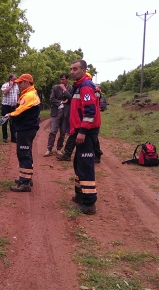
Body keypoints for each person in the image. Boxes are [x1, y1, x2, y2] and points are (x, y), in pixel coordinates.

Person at [68, 60, 101, 214]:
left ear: (83, 70)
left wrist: (82, 131)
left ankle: (89, 204)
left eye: (75, 69)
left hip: (86, 132)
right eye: (71, 69)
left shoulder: (85, 86)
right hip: (80, 131)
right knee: (78, 163)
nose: (72, 72)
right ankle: (80, 195)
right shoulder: (79, 86)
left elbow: (89, 112)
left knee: (85, 165)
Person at [3, 73, 41, 192]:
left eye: (20, 82)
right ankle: (26, 178)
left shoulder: (29, 95)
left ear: (27, 82)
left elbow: (20, 111)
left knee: (24, 154)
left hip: (26, 128)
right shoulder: (30, 93)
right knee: (26, 153)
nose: (18, 85)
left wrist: (10, 115)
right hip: (28, 128)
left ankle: (25, 183)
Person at [56, 73, 103, 164]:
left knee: (91, 141)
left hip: (85, 121)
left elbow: (90, 108)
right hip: (83, 121)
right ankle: (68, 154)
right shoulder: (93, 87)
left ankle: (96, 154)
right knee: (82, 138)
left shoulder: (86, 87)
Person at [44, 73, 73, 157]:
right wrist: (60, 102)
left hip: (65, 112)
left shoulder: (71, 88)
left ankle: (59, 148)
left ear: (67, 79)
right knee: (53, 131)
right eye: (61, 79)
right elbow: (51, 99)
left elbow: (71, 98)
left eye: (63, 79)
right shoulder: (56, 87)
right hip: (56, 111)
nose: (61, 81)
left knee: (63, 132)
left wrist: (64, 89)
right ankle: (49, 149)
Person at [0, 74, 19, 143]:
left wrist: (18, 104)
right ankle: (5, 138)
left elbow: (17, 94)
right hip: (5, 106)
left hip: (13, 107)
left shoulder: (16, 86)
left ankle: (14, 138)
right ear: (10, 79)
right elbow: (4, 92)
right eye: (14, 79)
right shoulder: (5, 85)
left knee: (13, 122)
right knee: (4, 121)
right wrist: (10, 86)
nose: (15, 81)